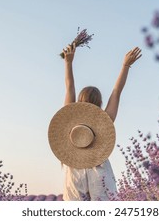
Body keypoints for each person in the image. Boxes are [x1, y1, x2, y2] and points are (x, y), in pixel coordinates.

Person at [60, 43, 142, 201]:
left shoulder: (69, 119)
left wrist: (68, 62)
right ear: (99, 103)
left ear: (79, 101)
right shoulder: (104, 121)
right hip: (99, 168)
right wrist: (125, 65)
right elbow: (116, 92)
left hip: (73, 168)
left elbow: (69, 86)